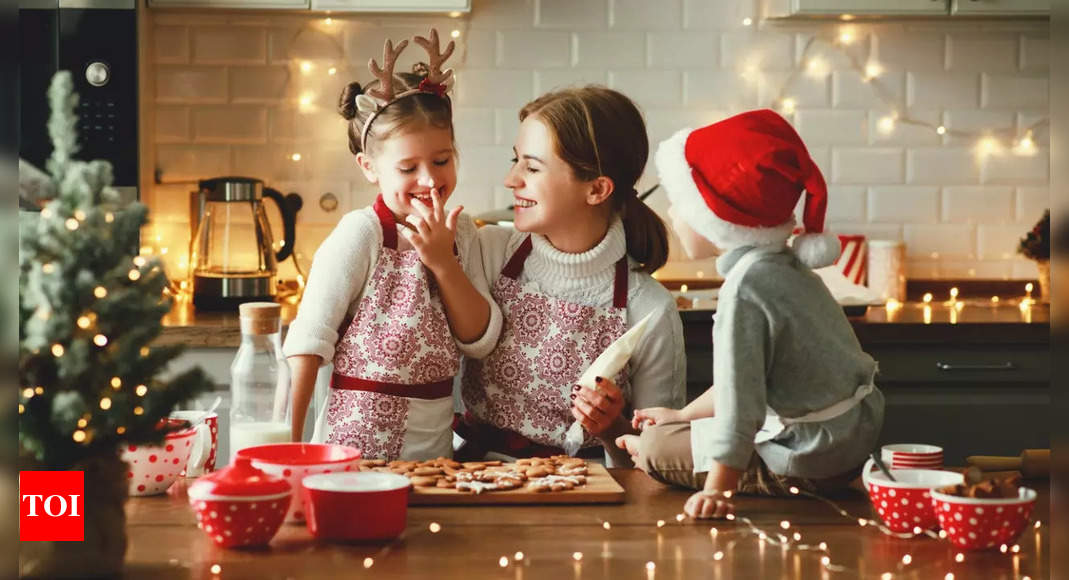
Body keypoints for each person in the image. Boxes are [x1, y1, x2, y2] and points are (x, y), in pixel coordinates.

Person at [615, 109, 885, 518]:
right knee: (674, 428)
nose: (671, 214)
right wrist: (683, 415)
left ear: (717, 217)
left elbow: (743, 406)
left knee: (656, 446)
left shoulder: (745, 291)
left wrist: (718, 490)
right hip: (845, 440)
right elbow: (744, 381)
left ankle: (654, 454)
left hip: (806, 456)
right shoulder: (786, 266)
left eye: (680, 203)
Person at [282, 30, 502, 461]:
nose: (429, 179)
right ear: (369, 167)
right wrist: (289, 444)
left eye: (442, 160)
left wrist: (444, 264)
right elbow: (309, 340)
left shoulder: (463, 235)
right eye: (408, 167)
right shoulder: (360, 234)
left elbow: (479, 339)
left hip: (433, 448)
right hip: (354, 444)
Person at [455, 86, 686, 465]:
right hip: (474, 477)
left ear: (596, 189)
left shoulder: (650, 310)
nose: (511, 180)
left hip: (584, 497)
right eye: (516, 161)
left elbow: (657, 464)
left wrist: (613, 429)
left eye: (531, 167)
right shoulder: (489, 253)